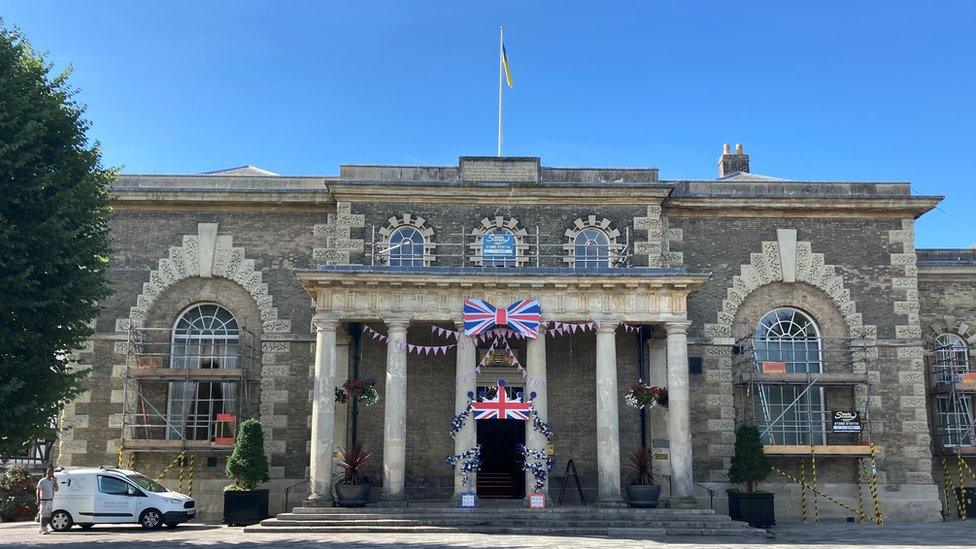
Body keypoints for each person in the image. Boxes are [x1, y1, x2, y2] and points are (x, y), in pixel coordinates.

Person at [36, 467, 58, 535]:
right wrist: (38, 499)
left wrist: (55, 482)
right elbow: (38, 490)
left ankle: (44, 528)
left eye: (53, 473)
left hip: (50, 500)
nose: (52, 474)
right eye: (51, 473)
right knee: (43, 515)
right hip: (44, 500)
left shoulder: (52, 481)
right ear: (48, 473)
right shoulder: (42, 481)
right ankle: (42, 529)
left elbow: (56, 489)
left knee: (47, 515)